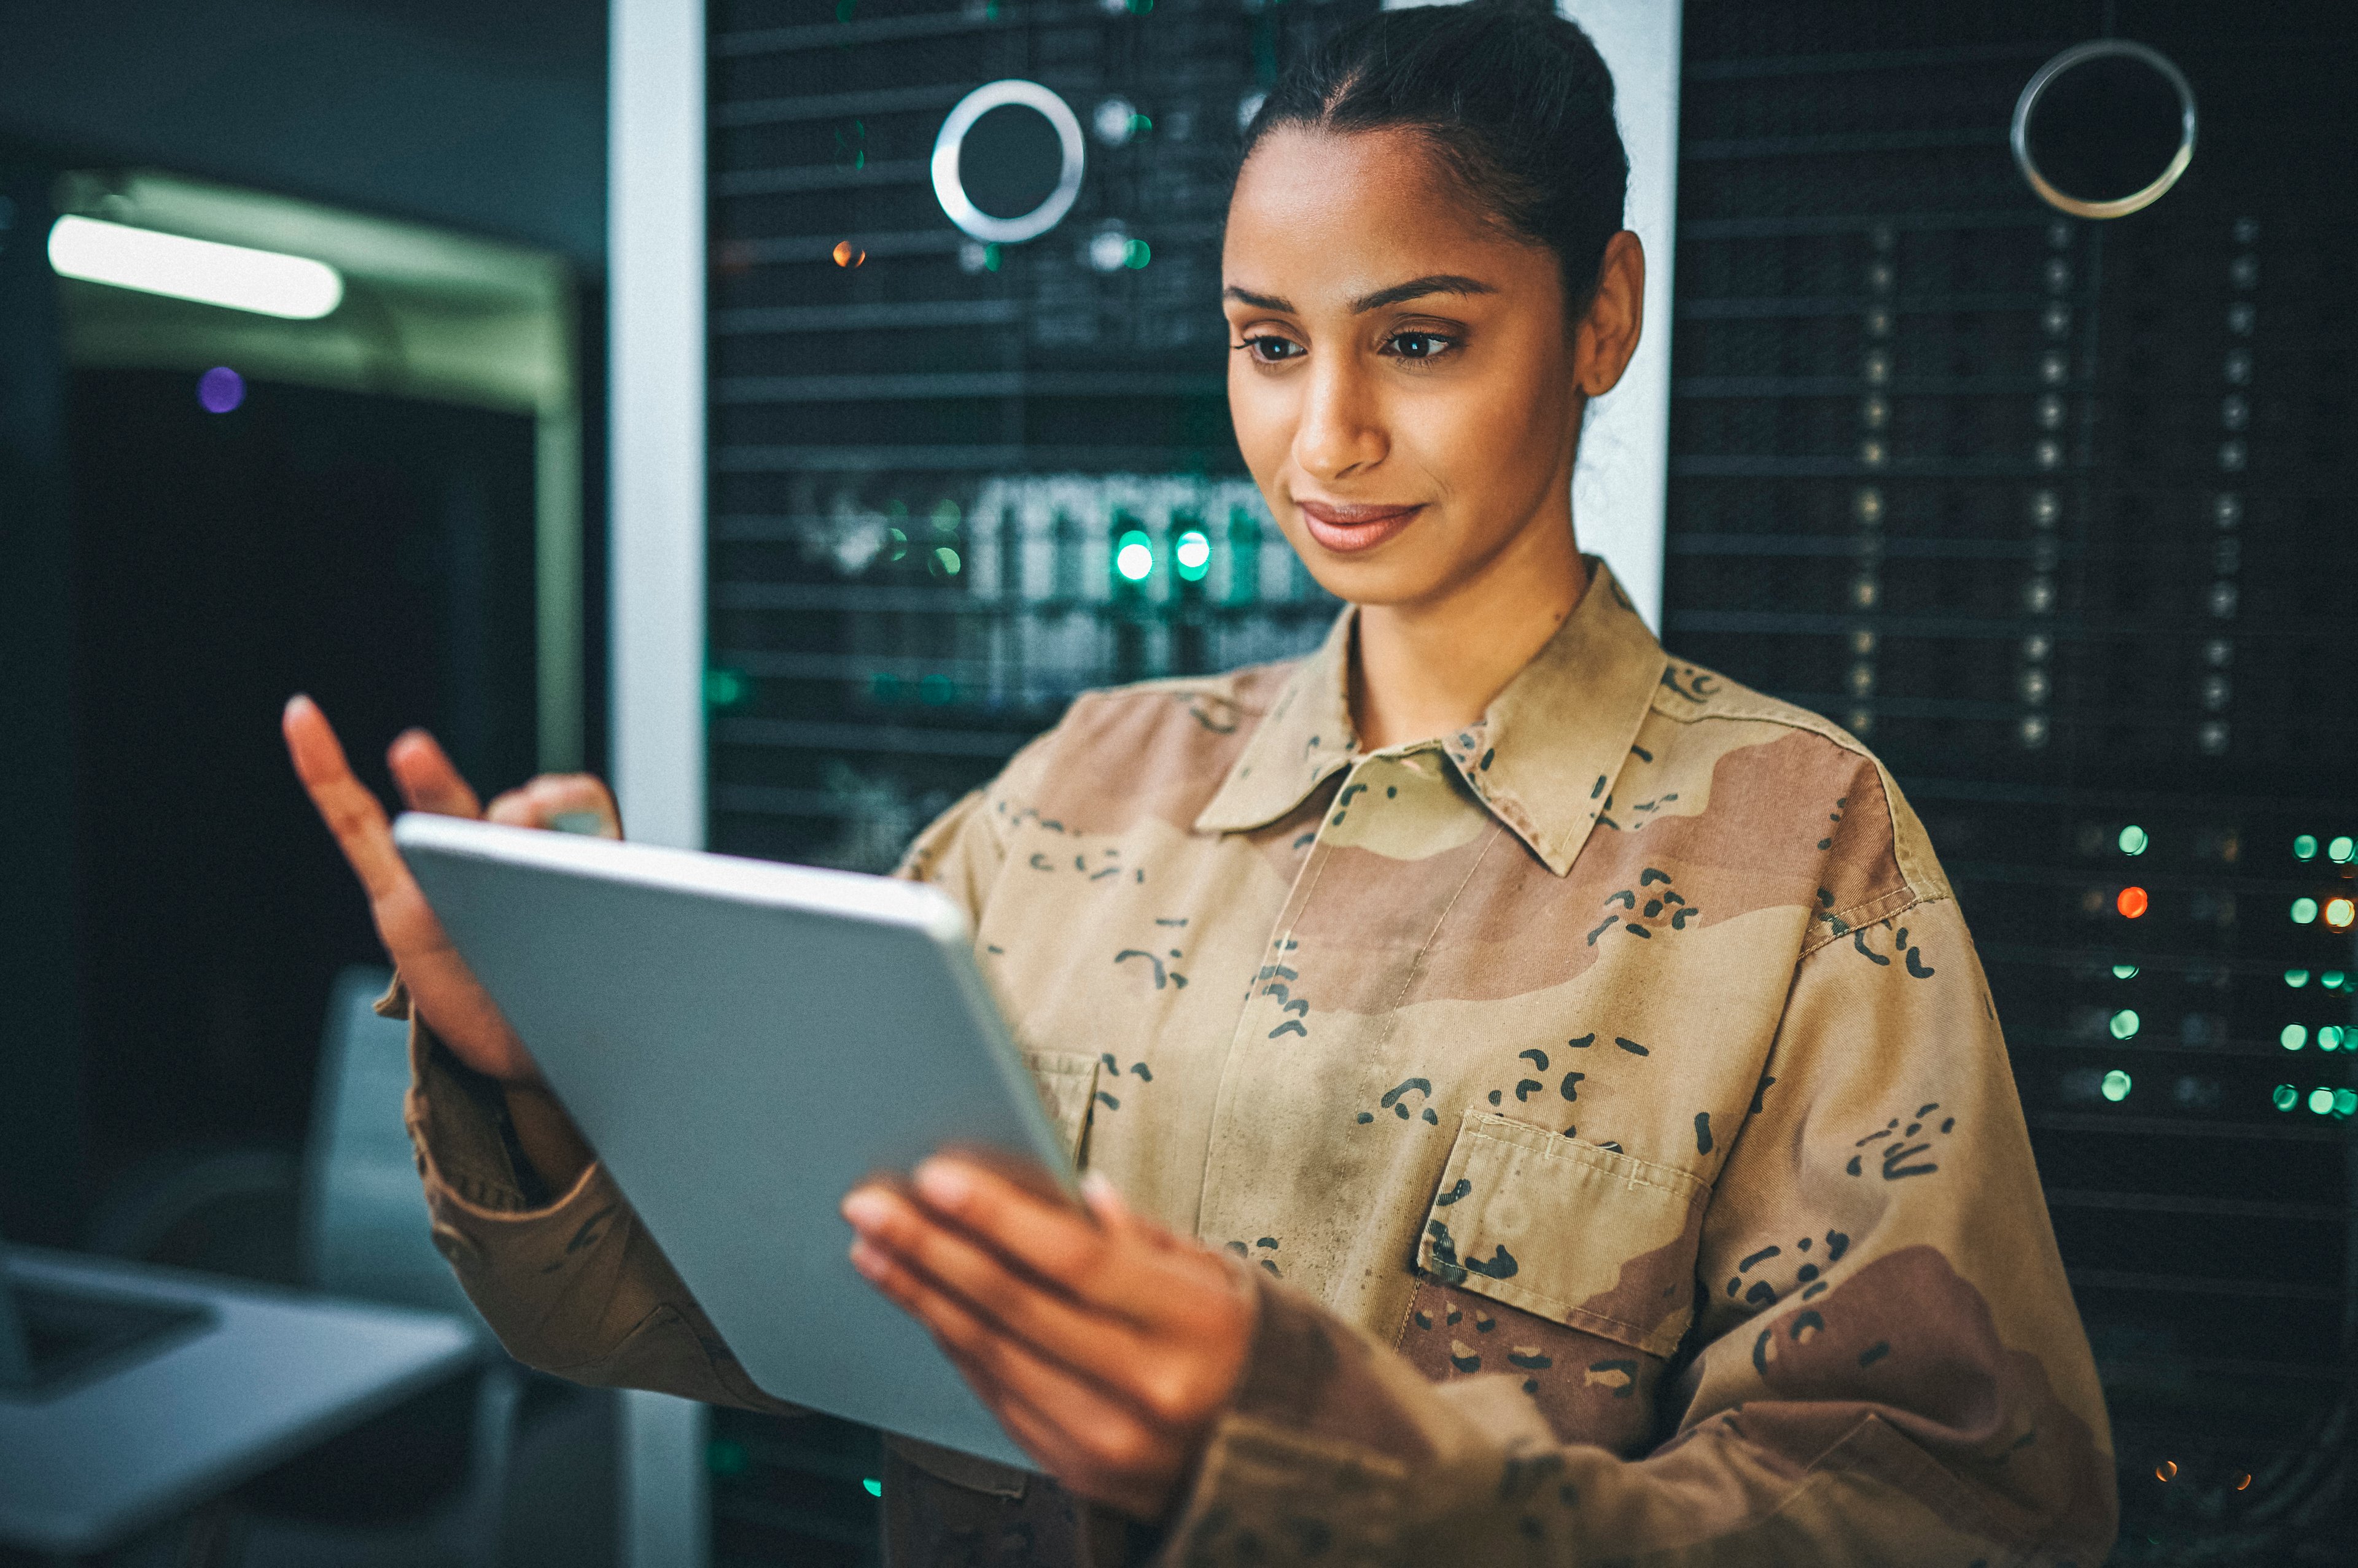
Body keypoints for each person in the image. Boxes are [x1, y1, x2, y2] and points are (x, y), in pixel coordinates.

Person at [284, 2, 2117, 1561]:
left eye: (1419, 339)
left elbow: (1948, 1508)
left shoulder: (1802, 842)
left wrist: (1320, 1453)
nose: (1325, 436)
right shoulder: (1087, 788)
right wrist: (554, 1074)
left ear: (1600, 317)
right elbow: (770, 1308)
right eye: (1267, 344)